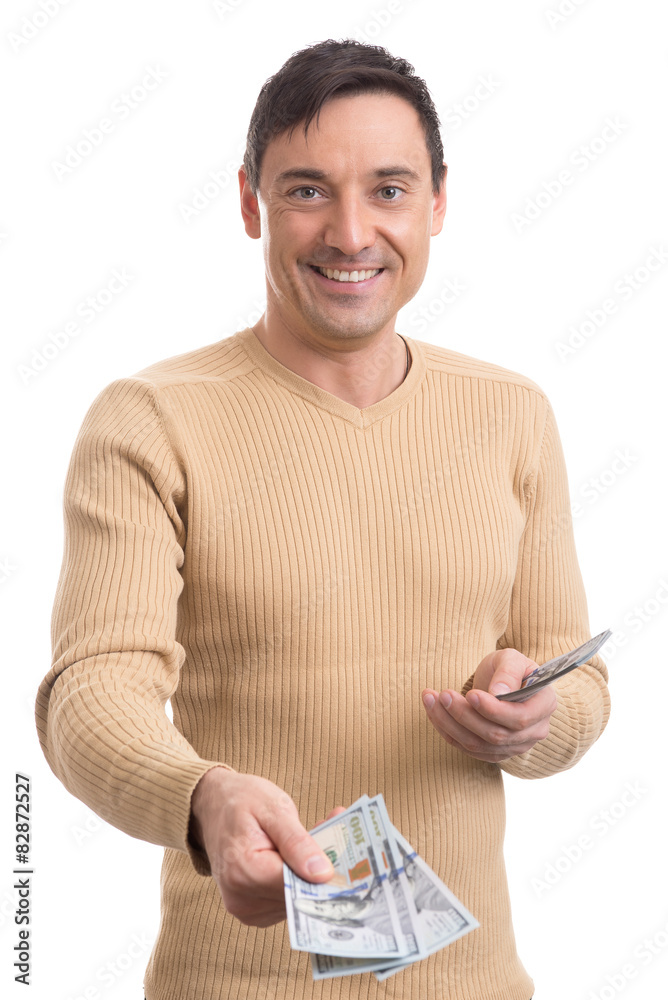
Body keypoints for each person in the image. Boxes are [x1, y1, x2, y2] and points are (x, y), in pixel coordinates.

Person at [36, 38, 610, 1000]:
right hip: (232, 985)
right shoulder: (151, 418)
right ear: (252, 203)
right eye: (307, 191)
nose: (350, 233)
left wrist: (537, 720)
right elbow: (89, 692)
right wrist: (199, 798)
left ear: (437, 204)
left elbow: (576, 676)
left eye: (388, 190)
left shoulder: (513, 413)